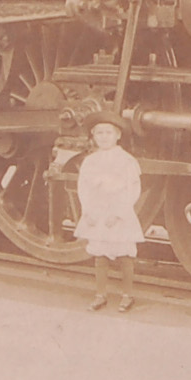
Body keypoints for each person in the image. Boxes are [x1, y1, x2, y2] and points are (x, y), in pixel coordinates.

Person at [72, 114, 144, 311]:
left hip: (119, 212)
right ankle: (100, 294)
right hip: (98, 211)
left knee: (125, 255)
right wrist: (89, 211)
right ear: (93, 136)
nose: (104, 137)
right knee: (100, 255)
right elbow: (83, 188)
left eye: (109, 133)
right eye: (99, 133)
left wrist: (119, 213)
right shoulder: (90, 161)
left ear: (118, 135)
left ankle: (127, 294)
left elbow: (132, 190)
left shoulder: (126, 161)